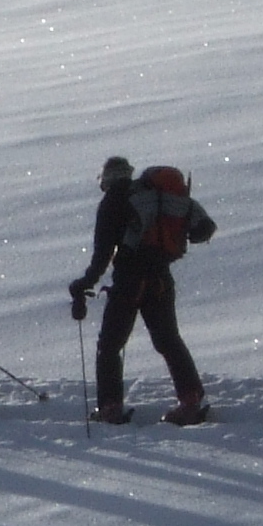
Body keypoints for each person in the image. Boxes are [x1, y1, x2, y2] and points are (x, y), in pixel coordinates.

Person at [68, 154, 211, 426]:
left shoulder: (112, 203)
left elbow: (101, 257)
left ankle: (110, 408)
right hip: (160, 279)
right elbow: (204, 228)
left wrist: (82, 284)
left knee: (110, 345)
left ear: (107, 178)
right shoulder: (151, 196)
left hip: (129, 282)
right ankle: (191, 400)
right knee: (169, 340)